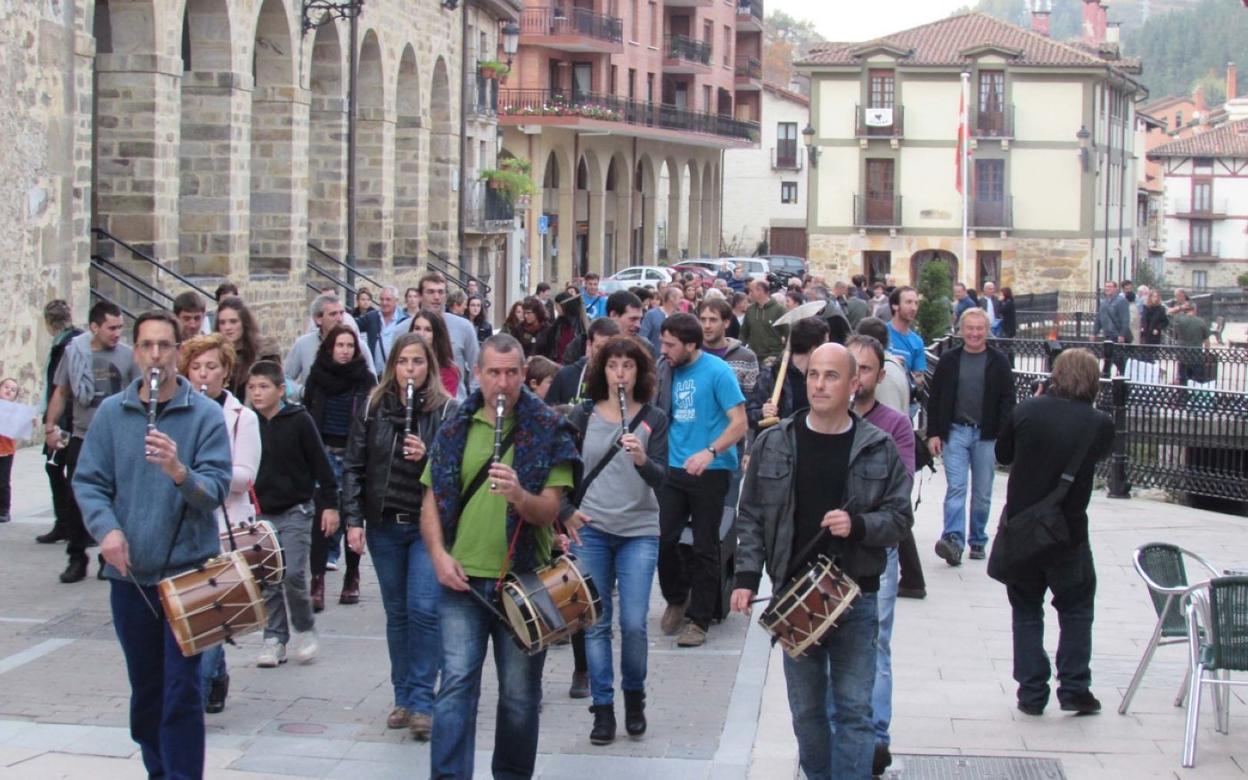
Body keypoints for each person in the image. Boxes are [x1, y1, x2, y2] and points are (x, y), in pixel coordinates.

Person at [731, 342, 913, 780]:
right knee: (807, 713)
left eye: (832, 376)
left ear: (854, 384)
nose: (819, 384)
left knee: (853, 710)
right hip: (798, 597)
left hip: (856, 595)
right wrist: (746, 577)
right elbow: (751, 513)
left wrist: (859, 525)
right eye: (813, 374)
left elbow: (900, 519)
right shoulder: (776, 442)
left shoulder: (877, 446)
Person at [72, 309, 232, 780]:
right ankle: (158, 770)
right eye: (147, 346)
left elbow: (216, 489)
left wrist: (179, 472)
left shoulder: (203, 415)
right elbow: (90, 482)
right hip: (132, 576)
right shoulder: (111, 413)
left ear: (179, 353)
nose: (156, 355)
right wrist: (107, 530)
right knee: (146, 693)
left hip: (188, 575)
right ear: (135, 353)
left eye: (165, 346)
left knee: (182, 691)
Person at [420, 334, 580, 780]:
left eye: (512, 373)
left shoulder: (548, 427)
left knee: (519, 695)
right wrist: (437, 554)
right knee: (454, 688)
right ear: (478, 374)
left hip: (523, 581)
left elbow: (551, 510)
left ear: (524, 374)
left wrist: (518, 496)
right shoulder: (455, 425)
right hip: (461, 581)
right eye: (494, 373)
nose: (504, 383)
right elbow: (431, 499)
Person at [342, 332, 457, 740]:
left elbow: (457, 471)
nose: (412, 369)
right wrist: (353, 520)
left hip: (426, 527)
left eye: (419, 362)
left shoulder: (445, 412)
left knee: (424, 608)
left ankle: (425, 700)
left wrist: (428, 454)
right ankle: (403, 695)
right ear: (394, 365)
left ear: (430, 367)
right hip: (385, 523)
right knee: (399, 613)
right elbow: (354, 466)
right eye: (405, 361)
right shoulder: (374, 407)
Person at [996, 348, 1114, 717]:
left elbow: (1003, 453)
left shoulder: (1028, 410)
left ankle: (1031, 692)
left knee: (1026, 609)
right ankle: (1075, 687)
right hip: (1068, 530)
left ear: (1054, 375)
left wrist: (1033, 403)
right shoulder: (1099, 423)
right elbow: (1101, 456)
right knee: (1076, 609)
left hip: (1023, 529)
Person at [563, 336, 669, 745]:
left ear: (639, 372)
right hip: (591, 528)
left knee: (634, 623)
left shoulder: (653, 418)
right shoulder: (583, 414)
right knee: (596, 623)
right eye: (613, 366)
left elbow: (663, 478)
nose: (620, 373)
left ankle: (635, 697)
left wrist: (642, 460)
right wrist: (564, 513)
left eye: (628, 366)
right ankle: (602, 709)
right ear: (602, 371)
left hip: (638, 530)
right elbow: (566, 470)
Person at [179, 333, 261, 715]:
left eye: (211, 367)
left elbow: (244, 476)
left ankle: (201, 686)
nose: (203, 375)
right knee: (196, 611)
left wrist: (197, 475)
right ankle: (215, 675)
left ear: (226, 372)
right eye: (196, 367)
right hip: (184, 525)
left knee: (212, 611)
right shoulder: (178, 415)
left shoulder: (241, 418)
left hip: (226, 525)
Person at [654, 313, 748, 648]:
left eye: (670, 344)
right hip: (673, 468)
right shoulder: (665, 370)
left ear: (691, 344)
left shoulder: (718, 372)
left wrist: (710, 451)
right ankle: (678, 597)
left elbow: (739, 423)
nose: (663, 349)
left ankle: (700, 621)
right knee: (664, 539)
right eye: (662, 342)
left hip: (713, 469)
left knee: (706, 545)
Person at [846, 335, 916, 775]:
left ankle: (875, 736)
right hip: (831, 553)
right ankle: (847, 729)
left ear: (878, 375)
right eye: (849, 368)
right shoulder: (819, 422)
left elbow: (899, 493)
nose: (856, 378)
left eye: (865, 369)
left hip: (876, 550)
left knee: (876, 642)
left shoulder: (894, 426)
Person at [247, 361, 339, 668]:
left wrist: (330, 504)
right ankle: (274, 638)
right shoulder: (248, 423)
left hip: (297, 509)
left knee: (292, 574)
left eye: (263, 387)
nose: (256, 393)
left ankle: (304, 627)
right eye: (252, 387)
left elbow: (321, 466)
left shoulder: (299, 420)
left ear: (281, 390)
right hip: (260, 512)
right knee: (267, 577)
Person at [45, 301, 137, 583]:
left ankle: (107, 557)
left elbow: (138, 393)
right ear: (94, 327)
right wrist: (50, 427)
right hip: (83, 435)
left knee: (115, 497)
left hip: (116, 437)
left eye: (121, 327)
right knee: (76, 498)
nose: (117, 333)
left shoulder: (128, 356)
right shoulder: (75, 353)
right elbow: (61, 392)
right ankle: (76, 556)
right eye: (111, 327)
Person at [927, 308, 1015, 566]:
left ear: (986, 330)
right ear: (961, 330)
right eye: (970, 328)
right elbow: (936, 398)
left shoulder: (998, 361)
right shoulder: (949, 360)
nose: (974, 333)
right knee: (956, 487)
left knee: (982, 492)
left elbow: (1008, 399)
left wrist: (1002, 432)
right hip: (955, 431)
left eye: (979, 329)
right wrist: (934, 432)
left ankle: (978, 538)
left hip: (985, 435)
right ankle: (953, 539)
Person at [302, 325, 377, 609]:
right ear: (330, 348)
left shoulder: (365, 379)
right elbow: (308, 412)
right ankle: (317, 580)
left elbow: (371, 416)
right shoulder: (318, 377)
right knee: (322, 518)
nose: (344, 351)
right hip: (323, 453)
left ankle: (352, 576)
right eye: (340, 345)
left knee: (351, 516)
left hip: (353, 454)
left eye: (349, 346)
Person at [37, 300, 82, 545]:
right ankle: (67, 522)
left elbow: (59, 387)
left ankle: (66, 523)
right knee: (60, 468)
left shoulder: (64, 346)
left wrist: (52, 422)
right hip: (69, 419)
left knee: (56, 467)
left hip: (66, 421)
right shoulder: (74, 341)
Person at [286, 294, 376, 399]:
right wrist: (302, 392)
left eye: (342, 313)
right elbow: (285, 379)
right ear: (318, 319)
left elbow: (373, 385)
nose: (340, 319)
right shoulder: (303, 344)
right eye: (333, 314)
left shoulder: (358, 345)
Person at [747, 317, 829, 430]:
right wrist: (762, 412)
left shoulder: (820, 377)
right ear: (813, 348)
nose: (827, 350)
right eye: (825, 344)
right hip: (779, 443)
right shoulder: (771, 374)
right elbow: (748, 415)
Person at [419, 272, 481, 390]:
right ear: (420, 295)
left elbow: (477, 368)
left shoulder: (464, 327)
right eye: (431, 292)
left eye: (441, 292)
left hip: (455, 402)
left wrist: (473, 403)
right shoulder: (403, 330)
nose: (436, 297)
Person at [546, 318, 621, 406]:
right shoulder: (565, 376)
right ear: (589, 345)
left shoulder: (623, 379)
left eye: (609, 349)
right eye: (599, 348)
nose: (604, 354)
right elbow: (548, 414)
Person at [216, 297, 277, 399]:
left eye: (233, 321)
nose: (227, 327)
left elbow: (273, 389)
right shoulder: (216, 353)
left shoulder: (264, 351)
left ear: (244, 323)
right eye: (222, 323)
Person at [698, 298, 759, 397]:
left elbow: (753, 401)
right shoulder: (691, 355)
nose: (707, 325)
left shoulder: (746, 357)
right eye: (703, 320)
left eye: (713, 320)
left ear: (726, 323)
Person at [563, 290, 643, 365]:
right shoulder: (580, 345)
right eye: (633, 319)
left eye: (640, 319)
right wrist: (585, 364)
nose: (638, 325)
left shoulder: (643, 347)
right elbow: (567, 376)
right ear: (614, 315)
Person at [409, 310, 463, 399]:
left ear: (437, 334)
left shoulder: (448, 370)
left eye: (428, 330)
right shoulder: (404, 364)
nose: (421, 334)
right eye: (417, 328)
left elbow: (446, 406)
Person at [885, 286, 926, 387]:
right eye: (908, 302)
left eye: (916, 303)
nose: (914, 308)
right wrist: (890, 363)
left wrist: (915, 379)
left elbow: (919, 377)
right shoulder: (880, 333)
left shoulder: (917, 341)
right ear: (895, 305)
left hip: (904, 396)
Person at [740, 279, 785, 365]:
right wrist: (739, 349)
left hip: (772, 358)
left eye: (751, 291)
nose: (749, 294)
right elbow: (743, 333)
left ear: (760, 291)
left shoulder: (779, 310)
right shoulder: (750, 309)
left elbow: (788, 333)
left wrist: (782, 355)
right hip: (753, 357)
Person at [371, 286, 412, 368]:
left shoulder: (406, 321)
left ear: (396, 301)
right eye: (381, 299)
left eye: (388, 299)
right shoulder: (373, 317)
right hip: (375, 375)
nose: (384, 303)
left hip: (396, 372)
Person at [1172, 305, 1210, 384]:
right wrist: (1207, 354)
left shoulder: (1179, 321)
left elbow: (1175, 336)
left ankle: (1183, 394)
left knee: (1183, 379)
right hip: (1196, 355)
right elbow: (1206, 341)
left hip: (1183, 354)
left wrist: (1178, 308)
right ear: (1194, 310)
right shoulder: (1201, 322)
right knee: (1198, 380)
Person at [550, 290, 588, 364]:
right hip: (558, 363)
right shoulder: (559, 323)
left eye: (557, 305)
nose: (556, 308)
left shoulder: (578, 324)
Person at [641, 286, 682, 355]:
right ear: (671, 298)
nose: (682, 301)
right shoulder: (651, 314)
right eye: (680, 298)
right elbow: (642, 337)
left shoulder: (679, 317)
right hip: (654, 360)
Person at [0, 378, 18, 523]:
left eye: (13, 390)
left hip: (6, 451)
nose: (8, 391)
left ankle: (4, 510)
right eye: (6, 387)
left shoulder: (16, 410)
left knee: (3, 481)